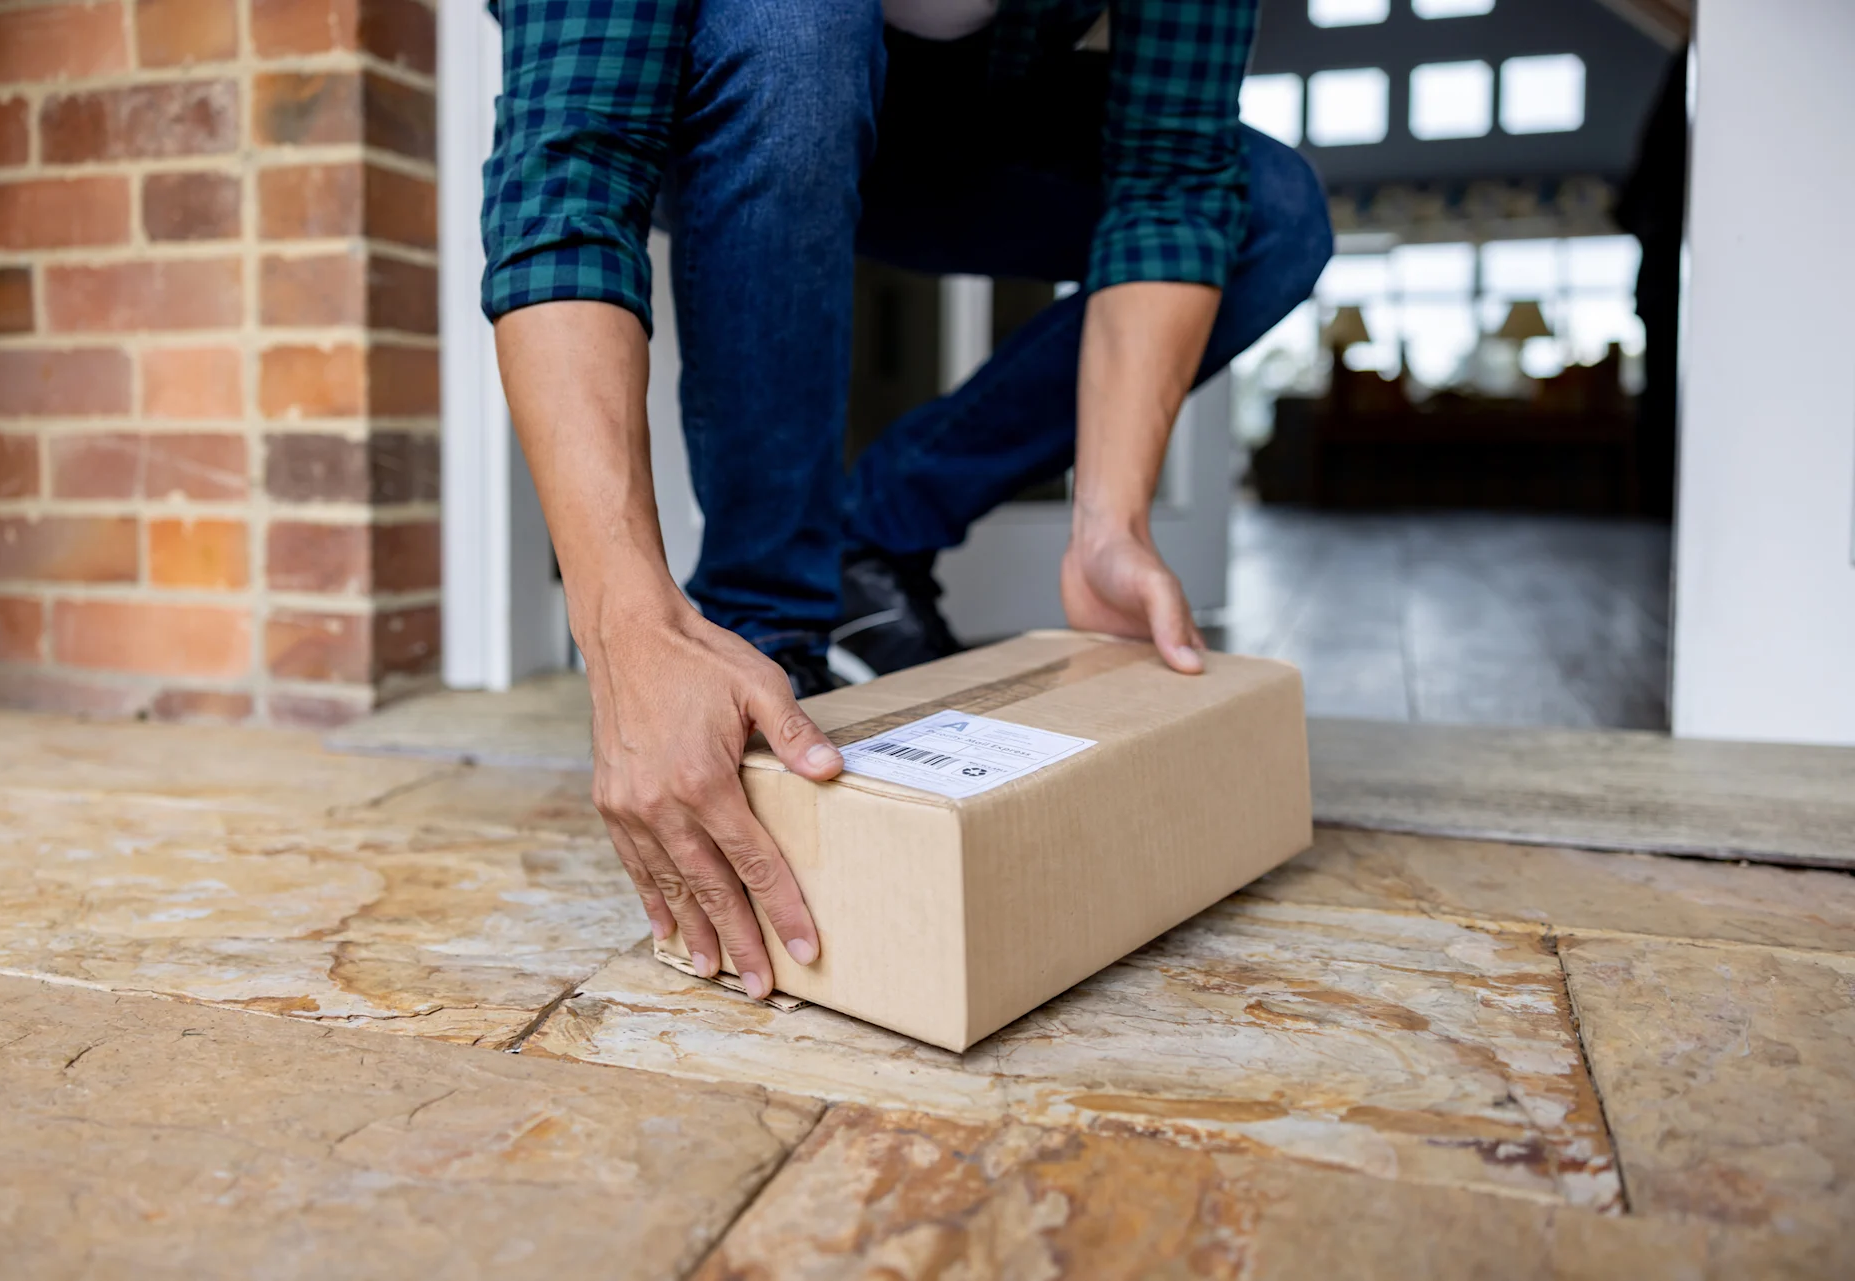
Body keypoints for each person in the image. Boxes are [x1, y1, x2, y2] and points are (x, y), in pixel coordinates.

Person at [483, 0, 1333, 1001]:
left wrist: (1112, 519)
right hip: (730, 71)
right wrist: (625, 624)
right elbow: (568, 180)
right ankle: (772, 634)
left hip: (951, 116)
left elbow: (1171, 179)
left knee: (1269, 208)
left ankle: (872, 534)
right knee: (798, 26)